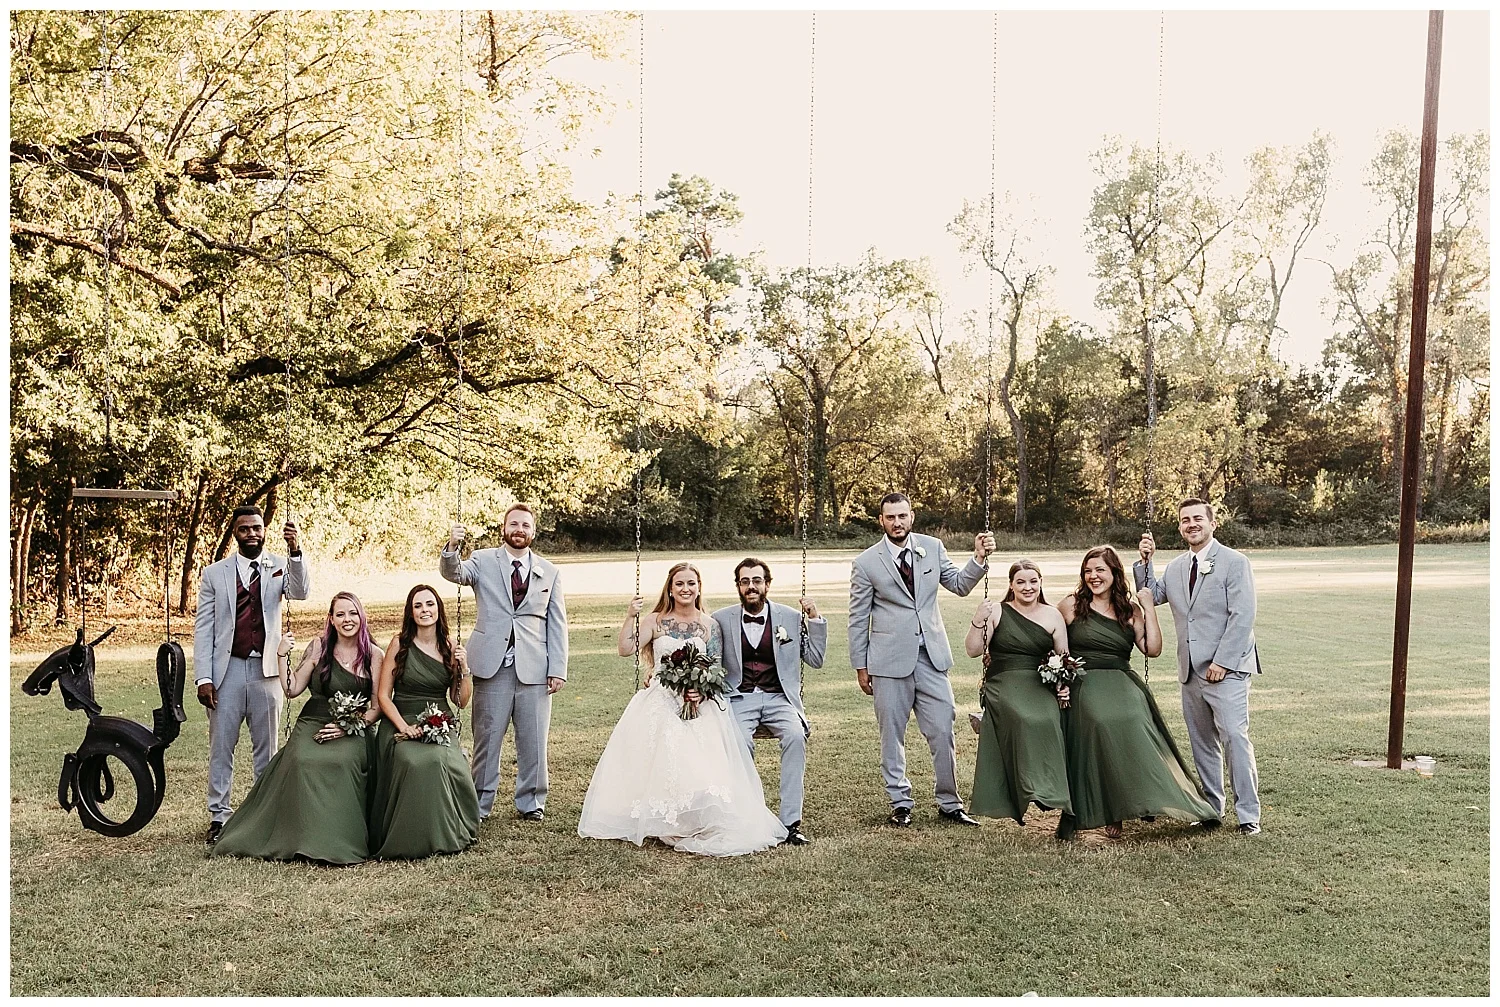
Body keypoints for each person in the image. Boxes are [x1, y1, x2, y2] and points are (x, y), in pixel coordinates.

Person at [578, 562, 786, 856]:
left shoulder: (709, 625)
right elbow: (625, 649)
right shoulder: (655, 620)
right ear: (670, 589)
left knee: (697, 755)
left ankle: (695, 816)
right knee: (663, 748)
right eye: (680, 584)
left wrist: (700, 691)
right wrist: (630, 616)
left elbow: (715, 665)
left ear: (699, 587)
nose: (686, 589)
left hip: (697, 699)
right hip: (661, 698)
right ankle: (664, 815)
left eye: (691, 583)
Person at [848, 491, 994, 827]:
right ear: (881, 520)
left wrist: (978, 558)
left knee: (943, 730)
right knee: (892, 736)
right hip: (887, 662)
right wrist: (861, 666)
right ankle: (900, 802)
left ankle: (950, 803)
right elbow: (858, 619)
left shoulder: (933, 547)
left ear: (911, 517)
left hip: (932, 657)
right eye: (890, 517)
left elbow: (958, 585)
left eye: (902, 516)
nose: (897, 523)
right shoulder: (866, 562)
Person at [1056, 546, 1217, 840]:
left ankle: (1138, 799)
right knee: (1100, 721)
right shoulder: (1070, 605)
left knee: (1131, 718)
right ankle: (1107, 810)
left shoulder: (1130, 610)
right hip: (1084, 681)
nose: (1093, 576)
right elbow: (1050, 638)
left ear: (1114, 573)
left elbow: (1152, 649)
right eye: (1088, 571)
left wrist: (1149, 607)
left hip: (1122, 679)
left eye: (1100, 570)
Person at [212, 592, 384, 864]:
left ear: (361, 616)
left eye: (352, 613)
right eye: (340, 614)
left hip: (354, 727)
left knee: (342, 761)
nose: (347, 619)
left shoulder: (374, 655)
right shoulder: (318, 647)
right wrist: (281, 655)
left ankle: (337, 839)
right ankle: (300, 837)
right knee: (302, 760)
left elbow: (377, 706)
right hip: (313, 720)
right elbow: (292, 689)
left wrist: (348, 727)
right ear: (331, 619)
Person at [1134, 498, 1263, 835]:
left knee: (1234, 737)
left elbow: (1243, 616)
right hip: (1189, 670)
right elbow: (1151, 595)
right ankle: (1211, 809)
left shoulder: (1235, 562)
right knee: (1202, 742)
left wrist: (1222, 661)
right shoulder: (1176, 567)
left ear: (1211, 523)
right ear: (1179, 527)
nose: (1191, 524)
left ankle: (1248, 815)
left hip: (1227, 669)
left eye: (1197, 519)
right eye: (1184, 520)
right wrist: (1145, 560)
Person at [440, 504, 568, 822]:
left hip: (535, 669)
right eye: (514, 524)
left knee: (534, 740)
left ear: (533, 532)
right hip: (490, 665)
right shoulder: (483, 560)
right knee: (487, 736)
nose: (519, 529)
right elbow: (454, 573)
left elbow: (557, 623)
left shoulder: (549, 572)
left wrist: (558, 668)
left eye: (525, 525)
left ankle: (531, 802)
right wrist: (452, 547)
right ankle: (480, 804)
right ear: (504, 528)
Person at [194, 505, 311, 846]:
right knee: (221, 747)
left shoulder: (278, 566)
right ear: (235, 533)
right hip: (227, 668)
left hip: (267, 670)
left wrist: (296, 552)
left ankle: (265, 814)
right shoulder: (215, 574)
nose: (252, 534)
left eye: (257, 528)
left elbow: (301, 592)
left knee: (268, 749)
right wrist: (204, 677)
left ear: (265, 529)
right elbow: (203, 629)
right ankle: (220, 816)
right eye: (244, 529)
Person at [710, 558, 828, 845]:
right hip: (740, 697)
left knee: (795, 736)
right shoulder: (721, 619)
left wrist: (814, 618)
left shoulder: (789, 617)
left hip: (779, 698)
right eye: (745, 581)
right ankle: (749, 817)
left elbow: (815, 659)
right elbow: (711, 662)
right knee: (739, 742)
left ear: (767, 584)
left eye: (757, 580)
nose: (751, 586)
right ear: (738, 586)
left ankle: (791, 823)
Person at [369, 585, 480, 859]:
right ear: (411, 612)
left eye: (430, 604)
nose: (424, 610)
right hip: (400, 717)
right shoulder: (399, 644)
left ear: (438, 609)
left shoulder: (450, 646)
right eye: (418, 606)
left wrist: (464, 670)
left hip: (438, 718)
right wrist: (403, 727)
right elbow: (384, 696)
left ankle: (446, 830)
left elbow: (461, 700)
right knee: (413, 760)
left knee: (442, 760)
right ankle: (409, 836)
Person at [964, 559, 1073, 829]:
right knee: (1023, 718)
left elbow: (1063, 655)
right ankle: (1028, 787)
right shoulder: (997, 611)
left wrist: (1061, 681)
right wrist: (978, 620)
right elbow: (973, 650)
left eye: (1033, 581)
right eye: (1021, 582)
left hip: (1038, 682)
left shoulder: (1052, 615)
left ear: (1040, 583)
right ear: (1011, 585)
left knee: (1049, 720)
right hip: (1004, 682)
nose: (1028, 587)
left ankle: (1047, 789)